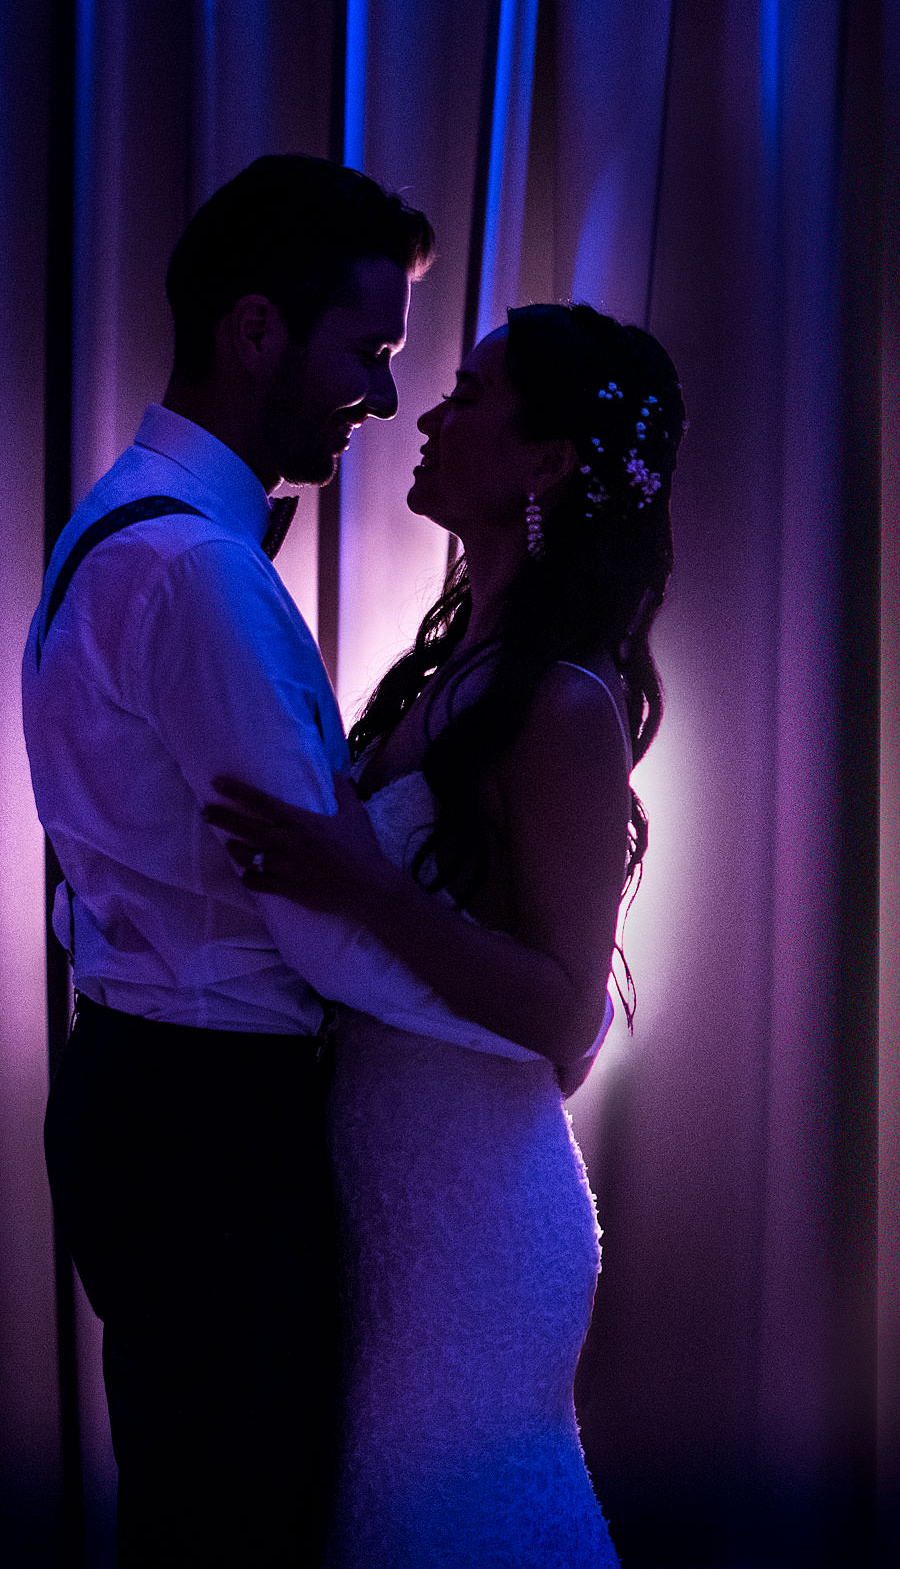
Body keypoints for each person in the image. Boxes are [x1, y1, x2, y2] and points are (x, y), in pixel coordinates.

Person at [28, 154, 539, 1566]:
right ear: (257, 331)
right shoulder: (196, 573)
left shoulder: (126, 521)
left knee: (205, 1508)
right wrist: (529, 1017)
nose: (381, 397)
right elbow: (310, 921)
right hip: (214, 1132)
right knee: (238, 1525)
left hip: (153, 1091)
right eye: (367, 350)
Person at [202, 302, 683, 1564]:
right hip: (388, 1192)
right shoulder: (450, 673)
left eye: (469, 396)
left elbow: (565, 1011)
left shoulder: (566, 704)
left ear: (547, 461)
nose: (429, 413)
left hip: (471, 1212)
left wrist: (361, 885)